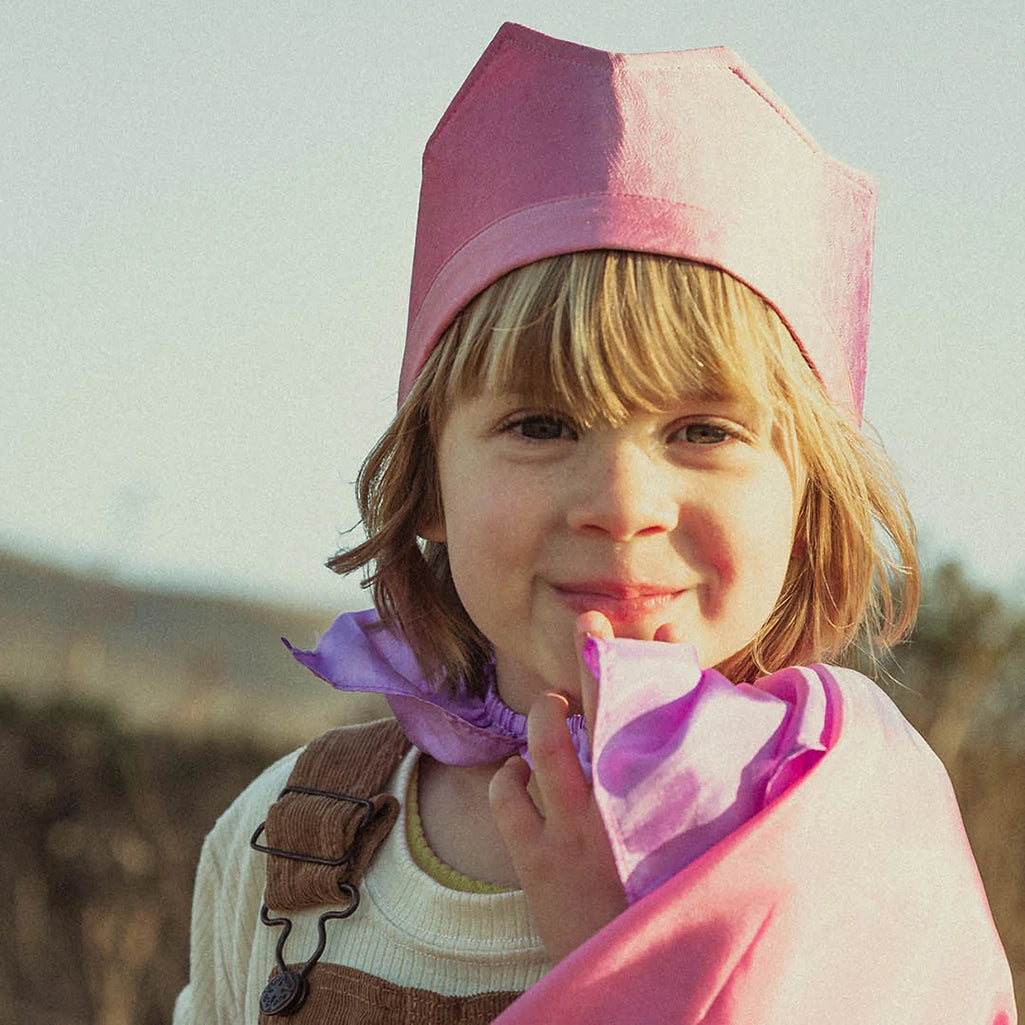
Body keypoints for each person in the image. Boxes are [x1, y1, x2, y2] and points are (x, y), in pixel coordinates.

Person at [174, 22, 1016, 1024]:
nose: (620, 504)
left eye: (702, 429)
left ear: (809, 496)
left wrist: (624, 967)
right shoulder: (282, 840)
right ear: (429, 483)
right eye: (540, 423)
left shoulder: (859, 856)